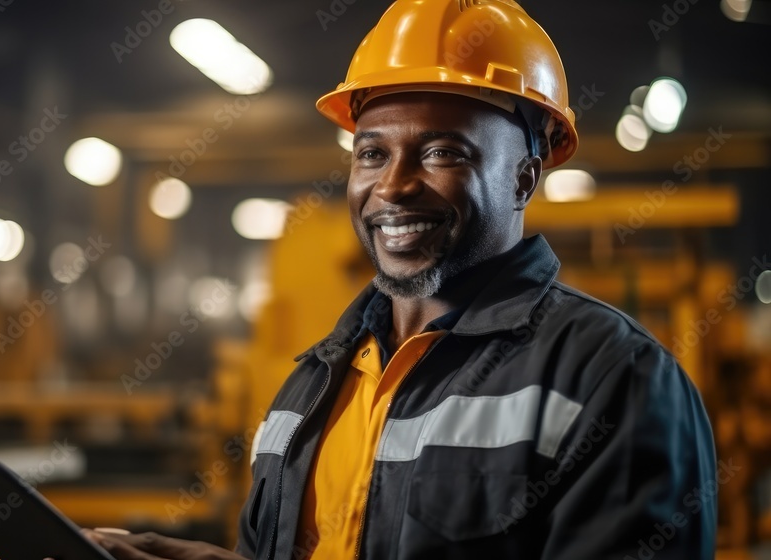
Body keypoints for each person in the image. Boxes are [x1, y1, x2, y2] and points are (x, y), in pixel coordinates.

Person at [78, 0, 718, 558]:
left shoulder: (615, 381)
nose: (392, 185)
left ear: (524, 177)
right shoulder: (309, 388)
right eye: (372, 153)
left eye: (442, 152)